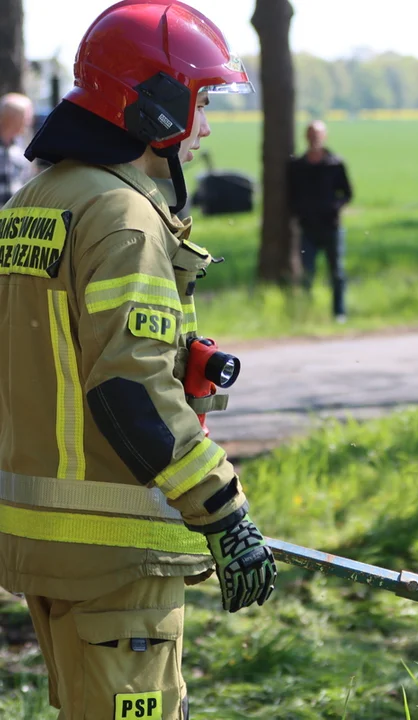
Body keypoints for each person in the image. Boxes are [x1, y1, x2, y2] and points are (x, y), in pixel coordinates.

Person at [0, 2, 277, 718]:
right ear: (155, 109)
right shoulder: (124, 217)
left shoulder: (37, 199)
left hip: (45, 540)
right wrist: (222, 510)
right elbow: (130, 388)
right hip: (117, 551)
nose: (206, 127)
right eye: (200, 102)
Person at [288, 119, 353, 322]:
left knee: (337, 273)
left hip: (331, 227)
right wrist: (298, 212)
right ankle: (308, 314)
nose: (314, 139)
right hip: (307, 228)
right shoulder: (298, 166)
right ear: (306, 137)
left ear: (324, 137)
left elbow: (347, 193)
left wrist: (335, 207)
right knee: (308, 274)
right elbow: (291, 195)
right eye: (311, 135)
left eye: (318, 135)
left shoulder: (335, 163)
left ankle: (339, 313)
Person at [0, 91, 35, 205]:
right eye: (27, 116)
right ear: (12, 118)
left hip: (12, 218)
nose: (29, 122)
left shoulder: (22, 150)